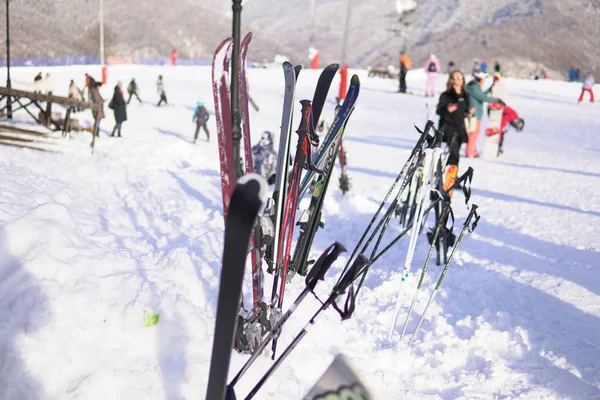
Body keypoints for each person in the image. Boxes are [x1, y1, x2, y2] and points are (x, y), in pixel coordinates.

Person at [436, 70, 473, 196]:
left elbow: (466, 109)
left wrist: (470, 111)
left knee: (455, 155)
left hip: (460, 127)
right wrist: (448, 109)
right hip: (448, 127)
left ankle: (451, 177)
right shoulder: (446, 95)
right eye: (456, 77)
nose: (458, 79)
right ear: (451, 80)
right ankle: (444, 178)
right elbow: (439, 110)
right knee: (452, 153)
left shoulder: (465, 94)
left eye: (460, 77)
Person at [465, 71, 500, 158]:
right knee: (473, 134)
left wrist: (491, 87)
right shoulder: (474, 87)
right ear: (480, 80)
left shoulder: (473, 86)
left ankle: (472, 151)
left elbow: (482, 95)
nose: (483, 82)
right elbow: (483, 98)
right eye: (483, 80)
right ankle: (470, 153)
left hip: (476, 114)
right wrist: (497, 100)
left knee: (474, 134)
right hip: (475, 115)